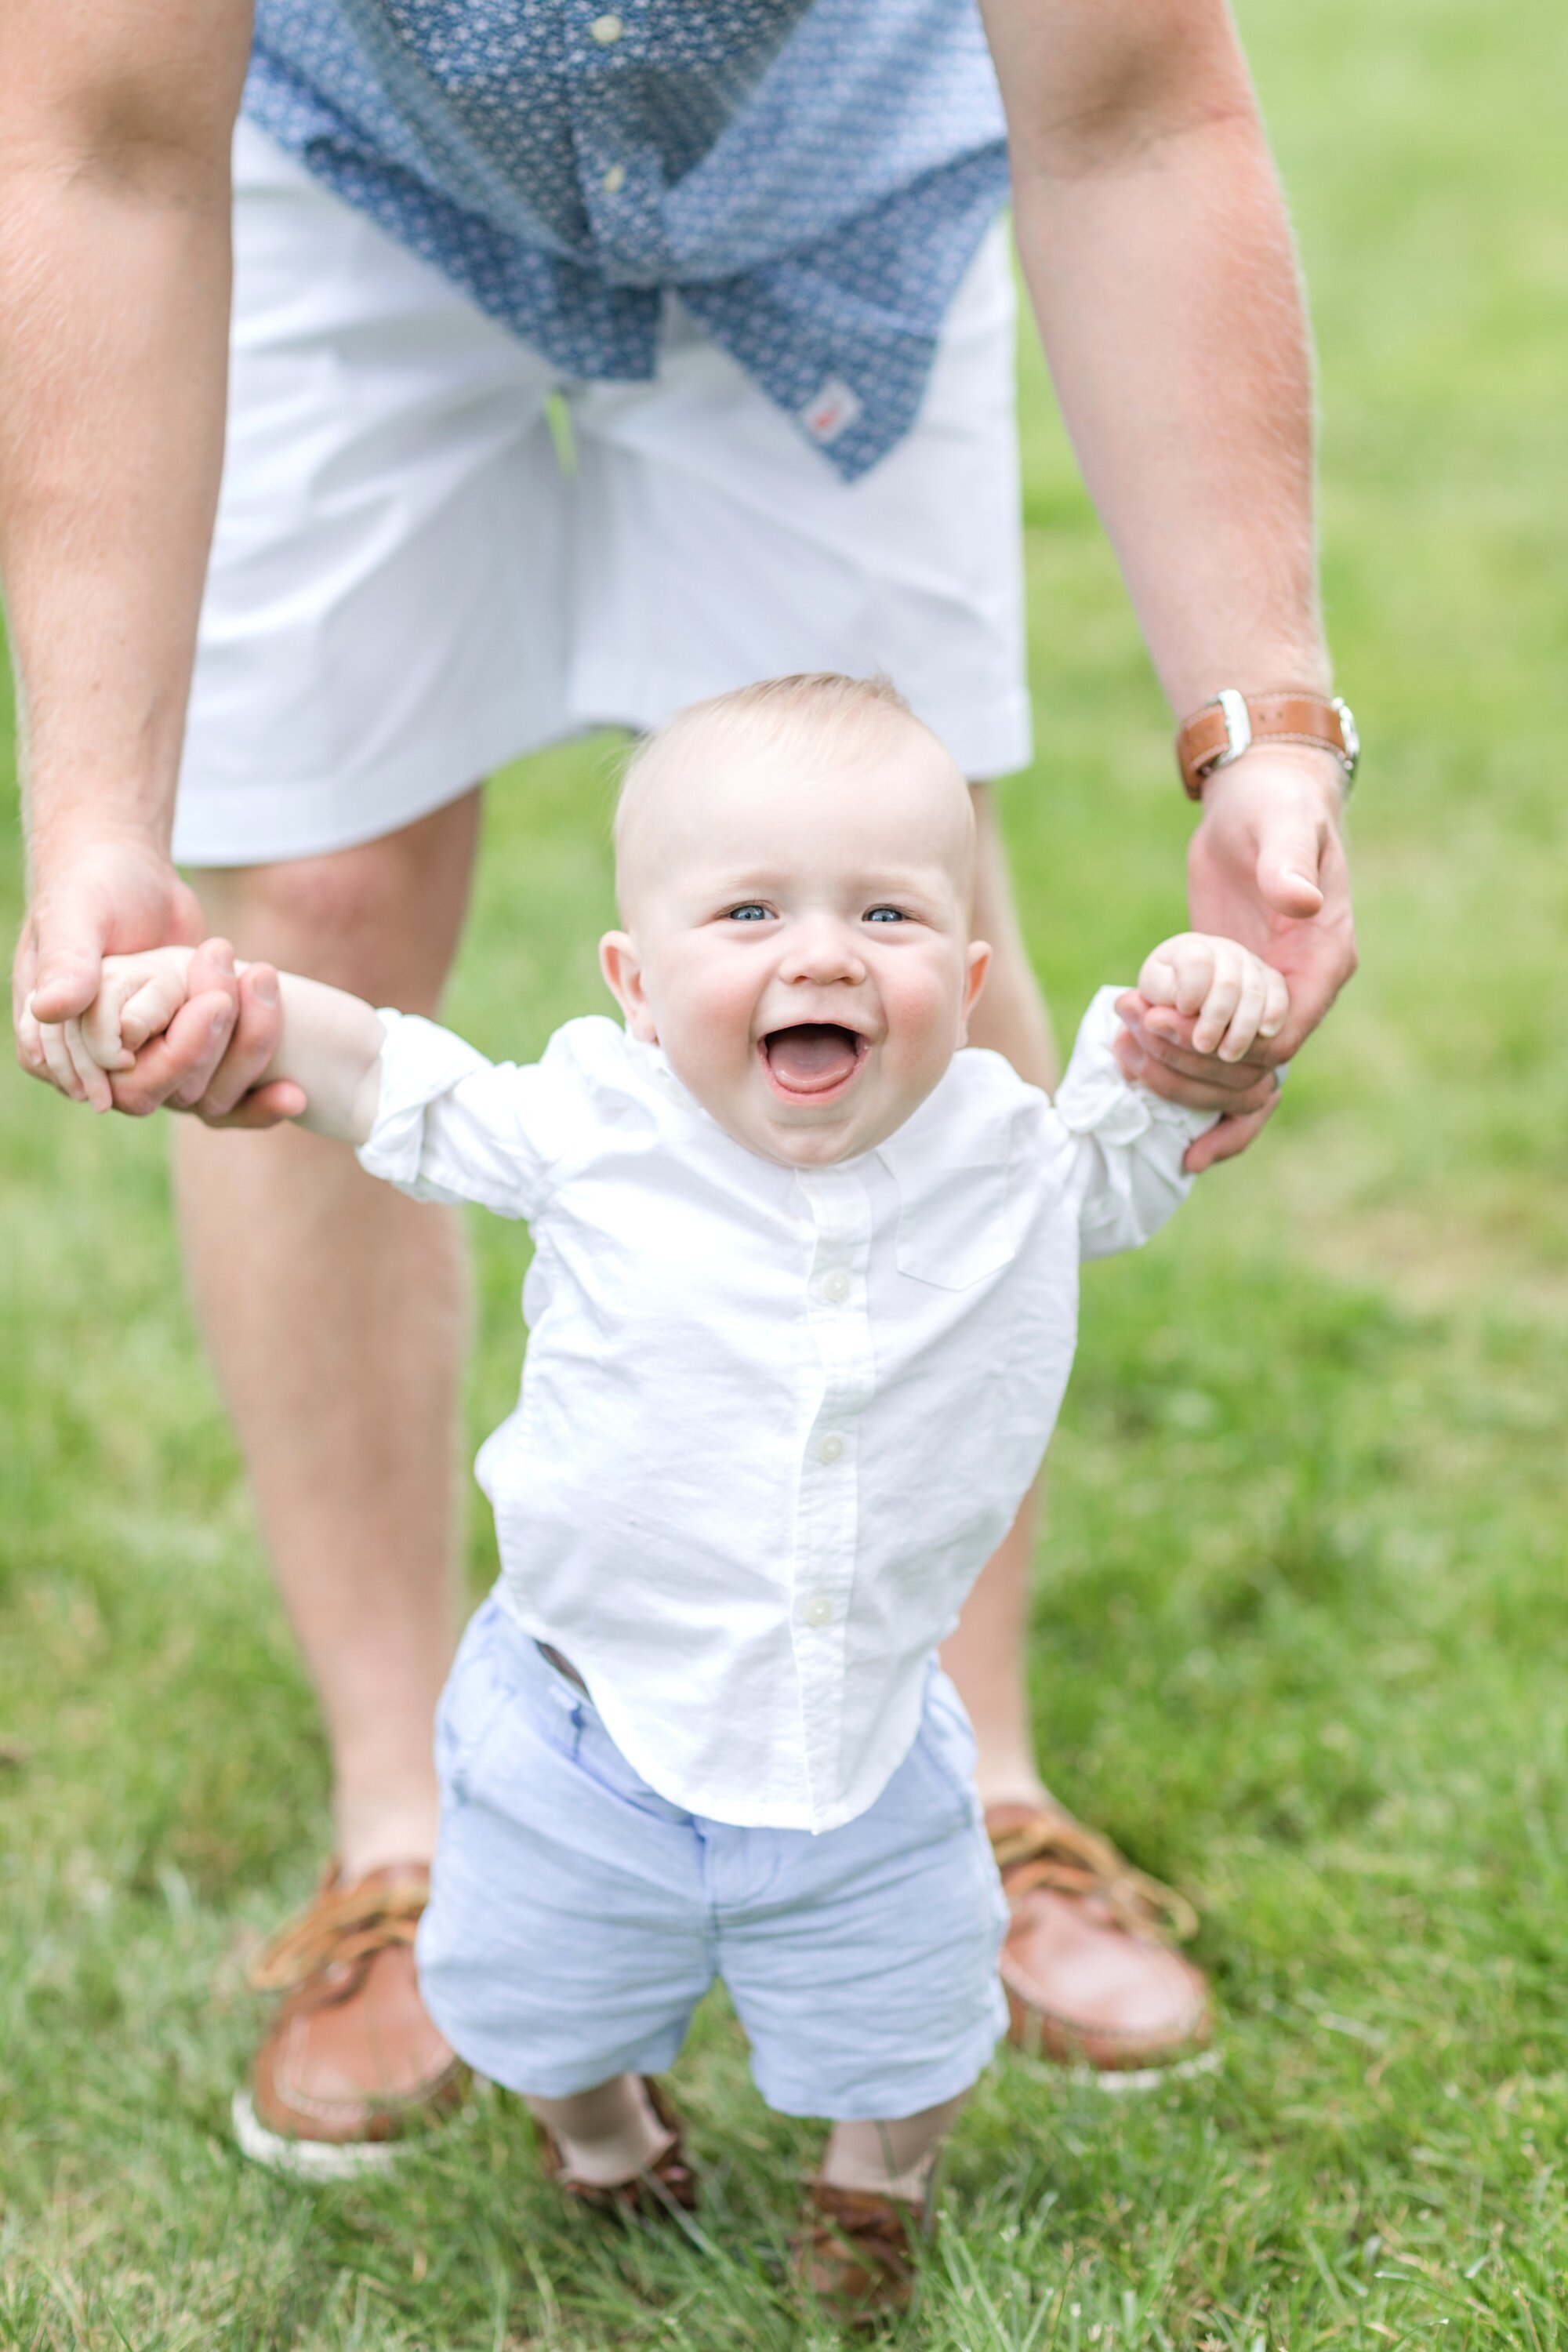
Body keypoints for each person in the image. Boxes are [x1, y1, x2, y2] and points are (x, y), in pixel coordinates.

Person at [2, 0, 1357, 2164]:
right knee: (318, 904)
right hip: (344, 163)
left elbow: (1131, 114)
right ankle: (409, 1819)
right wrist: (93, 818)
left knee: (880, 873)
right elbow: (102, 151)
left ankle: (956, 1779)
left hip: (823, 174)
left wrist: (1262, 732)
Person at [41, 673, 1292, 2314]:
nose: (825, 953)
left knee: (911, 2013)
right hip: (579, 1732)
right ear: (637, 982)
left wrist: (1198, 1032)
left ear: (968, 977)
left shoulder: (1002, 1153)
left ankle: (872, 2183)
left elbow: (1132, 1158)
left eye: (890, 912)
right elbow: (405, 1086)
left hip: (860, 1739)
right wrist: (260, 1018)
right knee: (538, 2004)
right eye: (752, 910)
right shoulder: (598, 1125)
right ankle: (610, 2136)